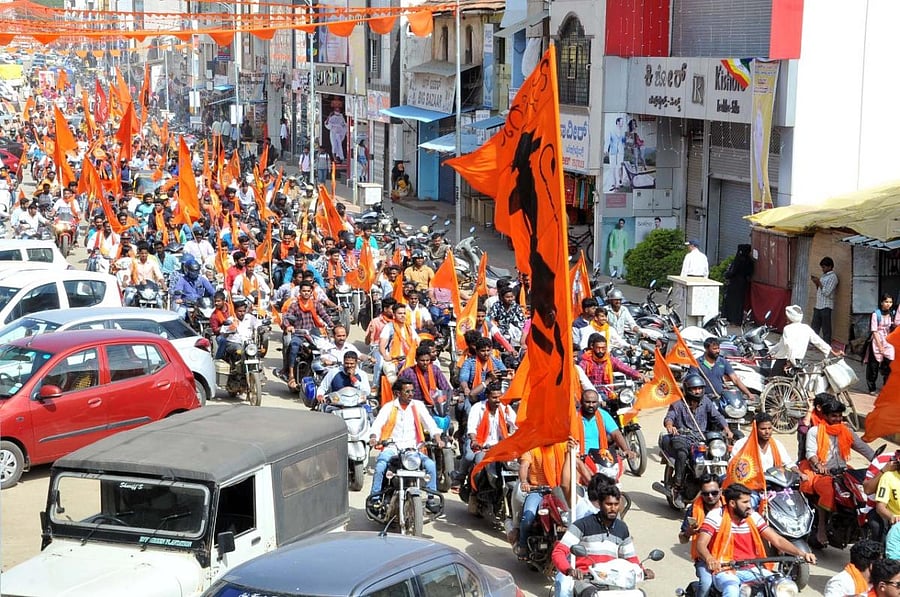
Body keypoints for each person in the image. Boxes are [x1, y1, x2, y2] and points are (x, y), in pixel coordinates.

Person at [695, 483, 816, 597]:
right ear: (732, 503)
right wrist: (709, 558)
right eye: (745, 502)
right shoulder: (716, 516)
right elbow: (701, 544)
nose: (749, 505)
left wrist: (802, 554)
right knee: (732, 589)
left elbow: (777, 540)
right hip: (725, 570)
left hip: (753, 568)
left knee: (780, 585)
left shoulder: (753, 516)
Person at [551, 477, 653, 597]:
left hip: (614, 580)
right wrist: (569, 570)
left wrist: (643, 570)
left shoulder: (622, 528)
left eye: (616, 504)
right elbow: (558, 552)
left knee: (639, 594)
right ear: (600, 504)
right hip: (586, 578)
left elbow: (630, 558)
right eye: (609, 504)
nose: (613, 508)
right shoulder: (582, 525)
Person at [800, 398, 875, 548]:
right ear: (825, 416)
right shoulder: (815, 431)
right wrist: (818, 464)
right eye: (834, 416)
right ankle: (821, 528)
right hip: (820, 472)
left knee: (862, 487)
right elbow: (810, 453)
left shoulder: (846, 431)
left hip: (843, 470)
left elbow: (863, 448)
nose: (837, 419)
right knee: (828, 490)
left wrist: (878, 460)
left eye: (840, 415)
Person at [368, 379, 443, 512]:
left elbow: (430, 424)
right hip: (392, 448)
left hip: (413, 450)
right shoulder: (389, 407)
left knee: (430, 465)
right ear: (398, 393)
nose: (411, 394)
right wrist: (374, 438)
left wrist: (438, 439)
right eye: (407, 391)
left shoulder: (418, 405)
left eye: (412, 391)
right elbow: (377, 425)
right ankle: (375, 500)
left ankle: (431, 499)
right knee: (380, 466)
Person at [660, 374, 732, 501]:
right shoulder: (678, 403)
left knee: (721, 452)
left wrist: (726, 428)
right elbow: (669, 417)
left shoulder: (706, 402)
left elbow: (717, 416)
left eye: (699, 388)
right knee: (682, 454)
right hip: (682, 437)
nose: (697, 391)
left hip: (701, 438)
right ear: (687, 389)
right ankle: (678, 487)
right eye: (694, 389)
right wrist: (670, 425)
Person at [455, 382, 517, 490]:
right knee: (471, 458)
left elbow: (517, 425)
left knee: (516, 465)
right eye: (494, 397)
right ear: (487, 396)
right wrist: (474, 441)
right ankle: (462, 479)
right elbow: (472, 428)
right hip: (480, 446)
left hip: (499, 447)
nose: (498, 400)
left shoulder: (505, 408)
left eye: (500, 397)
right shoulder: (478, 408)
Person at [679, 474, 724, 597]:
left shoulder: (730, 508)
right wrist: (688, 532)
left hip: (728, 556)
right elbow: (682, 539)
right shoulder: (693, 510)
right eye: (705, 493)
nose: (710, 496)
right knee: (706, 584)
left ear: (721, 491)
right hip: (704, 560)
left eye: (714, 493)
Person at [769, 305, 841, 373]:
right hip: (798, 361)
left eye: (786, 316)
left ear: (789, 318)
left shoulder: (787, 329)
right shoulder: (806, 328)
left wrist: (790, 361)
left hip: (785, 360)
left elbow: (789, 346)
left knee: (772, 381)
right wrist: (833, 352)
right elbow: (818, 341)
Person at [692, 337, 755, 406]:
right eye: (714, 349)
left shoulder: (723, 362)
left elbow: (735, 379)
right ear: (706, 349)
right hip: (703, 400)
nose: (718, 351)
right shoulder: (697, 363)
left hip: (720, 399)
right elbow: (693, 383)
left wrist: (748, 393)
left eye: (718, 348)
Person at [579, 334, 644, 397]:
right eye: (598, 348)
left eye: (603, 348)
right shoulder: (586, 361)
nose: (601, 351)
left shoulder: (610, 360)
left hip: (607, 393)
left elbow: (624, 367)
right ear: (592, 347)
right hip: (591, 394)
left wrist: (638, 375)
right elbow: (578, 375)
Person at [579, 389, 635, 460]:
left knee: (621, 468)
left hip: (601, 457)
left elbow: (616, 433)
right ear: (581, 402)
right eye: (587, 402)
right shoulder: (574, 417)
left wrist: (626, 450)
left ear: (598, 403)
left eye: (594, 402)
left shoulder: (603, 415)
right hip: (580, 458)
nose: (591, 405)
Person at [458, 337, 508, 405]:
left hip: (491, 397)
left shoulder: (496, 362)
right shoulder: (469, 363)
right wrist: (466, 388)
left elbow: (504, 373)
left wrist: (507, 375)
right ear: (477, 351)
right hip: (473, 396)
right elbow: (463, 378)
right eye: (483, 351)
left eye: (488, 350)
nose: (486, 353)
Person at [868, 293, 898, 394]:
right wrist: (880, 346)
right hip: (877, 341)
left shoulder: (893, 313)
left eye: (890, 302)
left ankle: (886, 386)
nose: (888, 304)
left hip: (888, 341)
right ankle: (872, 388)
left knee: (890, 364)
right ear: (881, 302)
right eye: (886, 302)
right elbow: (874, 331)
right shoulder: (876, 314)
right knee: (873, 366)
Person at [219, 298, 263, 364]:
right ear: (235, 311)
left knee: (255, 351)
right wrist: (230, 330)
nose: (242, 313)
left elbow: (258, 325)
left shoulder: (250, 317)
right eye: (240, 311)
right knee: (240, 349)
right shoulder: (231, 320)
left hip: (248, 343)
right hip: (234, 343)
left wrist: (261, 329)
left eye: (244, 311)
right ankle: (237, 365)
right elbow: (223, 333)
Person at [723, 244, 754, 325]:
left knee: (732, 303)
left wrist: (727, 275)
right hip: (743, 284)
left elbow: (733, 271)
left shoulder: (739, 260)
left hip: (734, 284)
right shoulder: (750, 261)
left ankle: (732, 319)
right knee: (739, 303)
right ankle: (737, 320)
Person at [811, 256, 838, 344]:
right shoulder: (824, 276)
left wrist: (819, 282)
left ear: (830, 267)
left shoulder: (833, 277)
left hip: (826, 306)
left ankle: (826, 345)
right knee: (815, 327)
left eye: (824, 267)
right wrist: (817, 283)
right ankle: (813, 343)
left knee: (826, 328)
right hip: (818, 305)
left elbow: (827, 292)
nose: (822, 269)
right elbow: (820, 290)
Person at [605, 117, 626, 191]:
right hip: (613, 151)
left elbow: (624, 142)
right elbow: (608, 140)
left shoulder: (623, 132)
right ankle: (613, 183)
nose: (622, 123)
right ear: (617, 122)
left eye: (623, 122)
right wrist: (606, 149)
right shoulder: (612, 130)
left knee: (619, 167)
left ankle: (618, 183)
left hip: (620, 152)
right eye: (621, 122)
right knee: (612, 168)